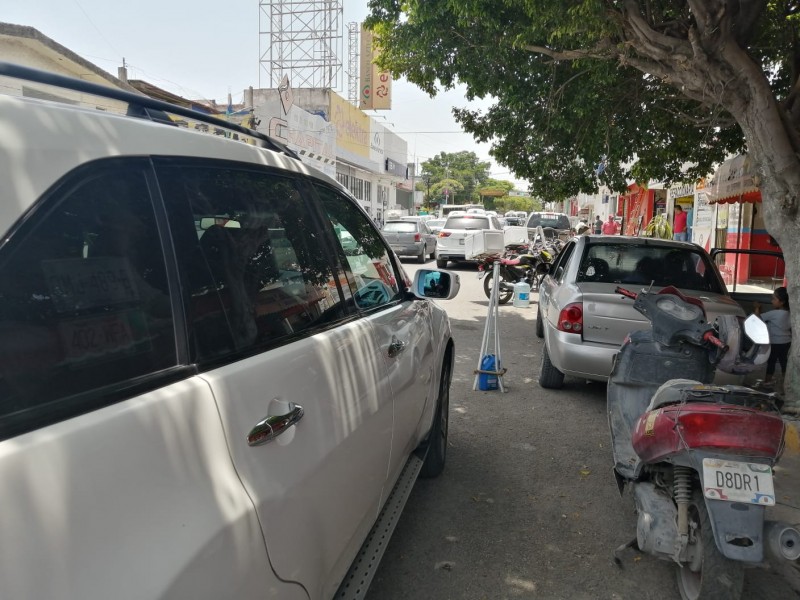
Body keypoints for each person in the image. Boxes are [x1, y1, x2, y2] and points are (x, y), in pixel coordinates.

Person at [754, 286, 791, 390]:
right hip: (787, 342)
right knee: (784, 363)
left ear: (782, 302)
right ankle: (785, 384)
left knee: (771, 362)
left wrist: (757, 308)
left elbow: (757, 319)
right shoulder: (790, 313)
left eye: (774, 299)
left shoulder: (775, 313)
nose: (772, 301)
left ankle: (767, 381)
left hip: (775, 343)